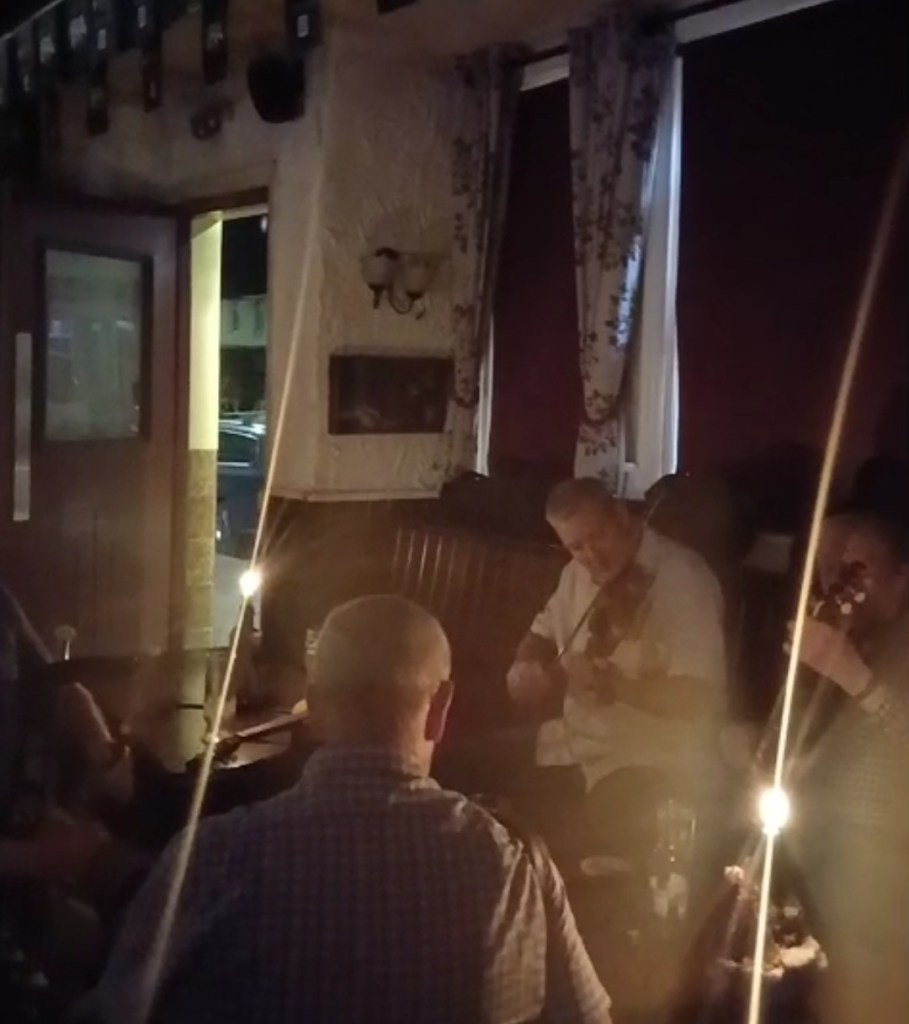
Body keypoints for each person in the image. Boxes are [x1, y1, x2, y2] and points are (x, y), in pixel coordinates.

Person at [81, 595, 612, 1024]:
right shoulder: (514, 865)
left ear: (312, 708)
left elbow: (114, 1010)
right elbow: (587, 1015)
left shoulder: (213, 858)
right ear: (442, 707)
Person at [502, 477, 727, 863]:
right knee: (470, 767)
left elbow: (700, 696)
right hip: (573, 745)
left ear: (622, 515)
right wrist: (524, 666)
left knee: (575, 837)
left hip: (651, 760)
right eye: (576, 546)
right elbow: (540, 634)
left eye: (598, 536)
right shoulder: (575, 573)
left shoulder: (683, 578)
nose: (592, 555)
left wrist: (618, 686)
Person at [789, 513, 909, 1024]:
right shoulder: (851, 636)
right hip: (825, 842)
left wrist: (851, 675)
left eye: (858, 570)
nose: (840, 585)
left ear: (901, 578)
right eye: (829, 570)